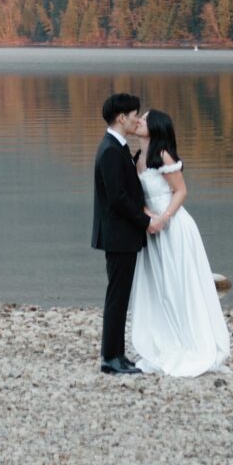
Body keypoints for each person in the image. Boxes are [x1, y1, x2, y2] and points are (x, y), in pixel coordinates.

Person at [125, 108, 231, 375]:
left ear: (157, 126)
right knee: (162, 284)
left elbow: (181, 190)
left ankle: (192, 340)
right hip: (153, 227)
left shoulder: (162, 155)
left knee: (181, 282)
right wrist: (148, 216)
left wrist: (164, 218)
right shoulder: (138, 157)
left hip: (174, 227)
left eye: (146, 119)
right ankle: (167, 336)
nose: (139, 121)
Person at [91, 91, 151, 374]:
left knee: (120, 295)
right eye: (134, 114)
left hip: (119, 234)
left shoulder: (117, 147)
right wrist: (144, 221)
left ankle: (117, 354)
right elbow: (118, 197)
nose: (137, 118)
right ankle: (110, 358)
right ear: (121, 117)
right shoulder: (110, 150)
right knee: (117, 297)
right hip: (118, 235)